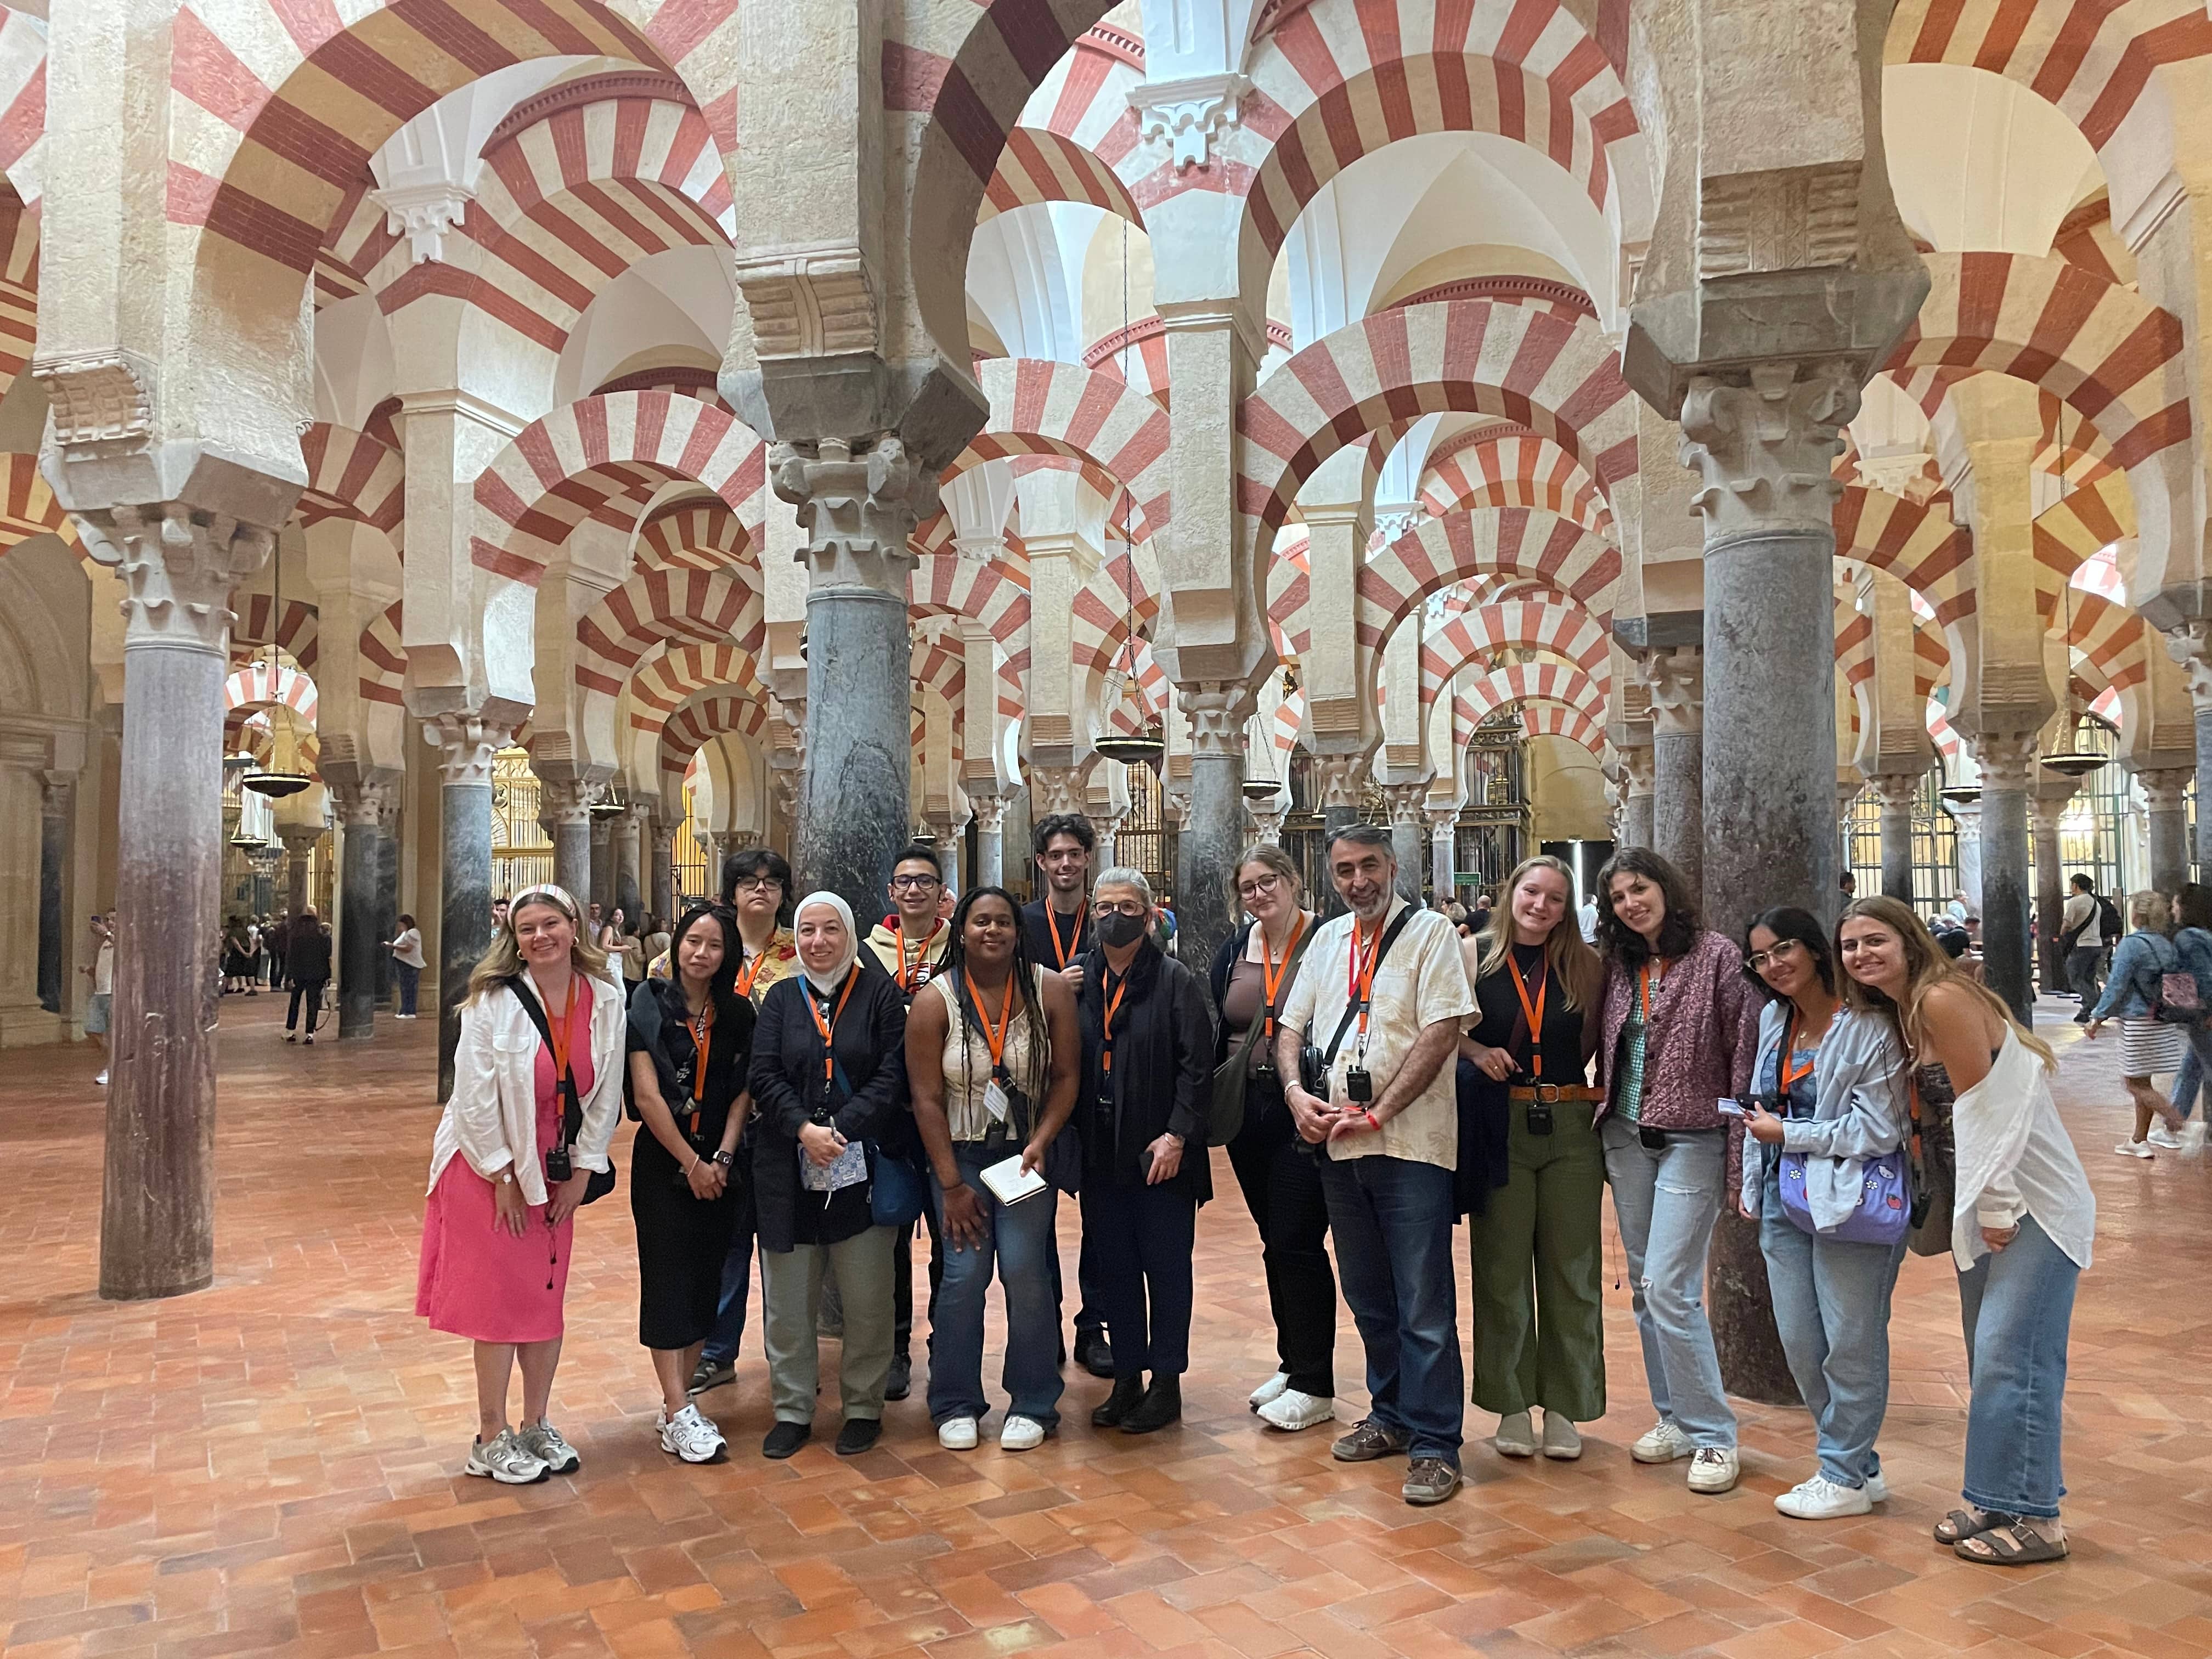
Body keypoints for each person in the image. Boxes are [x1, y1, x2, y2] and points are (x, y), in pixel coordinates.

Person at [1837, 896, 2092, 1565]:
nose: (1861, 954)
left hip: (2030, 1203)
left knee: (2017, 1356)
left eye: (1874, 939)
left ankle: (2039, 1521)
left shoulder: (1941, 999)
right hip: (1985, 1204)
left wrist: (1997, 1208)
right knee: (1992, 1356)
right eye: (1850, 945)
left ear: (1909, 939)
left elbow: (1990, 1113)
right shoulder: (1910, 1007)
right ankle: (2000, 1497)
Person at [1277, 825, 1476, 1506]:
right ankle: (1389, 1416)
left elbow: (1441, 1030)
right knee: (1368, 1295)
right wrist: (1294, 1094)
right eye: (1344, 871)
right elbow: (1289, 1029)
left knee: (1423, 1301)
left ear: (1392, 867)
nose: (1357, 881)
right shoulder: (1328, 941)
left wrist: (1380, 1111)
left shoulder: (1430, 936)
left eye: (1368, 866)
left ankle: (1435, 1445)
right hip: (1338, 1143)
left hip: (1411, 1146)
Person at [416, 883, 625, 1483]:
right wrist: (503, 1173)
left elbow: (604, 1090)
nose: (540, 937)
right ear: (514, 937)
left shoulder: (606, 996)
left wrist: (586, 1169)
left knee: (544, 1294)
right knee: (498, 1302)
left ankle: (536, 1422)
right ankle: (489, 1434)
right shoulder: (491, 1001)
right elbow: (474, 1097)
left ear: (574, 926)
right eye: (527, 928)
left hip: (556, 1167)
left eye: (551, 924)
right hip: (488, 1167)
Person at [1593, 847, 1758, 1495]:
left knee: (1670, 1285)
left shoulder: (1716, 955)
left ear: (1666, 887)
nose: (1631, 904)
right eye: (1618, 898)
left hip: (1694, 1139)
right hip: (1626, 1136)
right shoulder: (1619, 964)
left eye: (1639, 889)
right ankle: (1675, 1418)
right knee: (1643, 1284)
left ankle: (1715, 1434)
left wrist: (1740, 1147)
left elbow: (1741, 1051)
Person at [1737, 906, 1910, 1519]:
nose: (1773, 966)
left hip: (1852, 1202)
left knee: (1851, 1341)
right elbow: (1762, 1102)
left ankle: (1840, 1472)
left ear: (1814, 949)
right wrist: (1754, 1179)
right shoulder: (1771, 1017)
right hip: (1786, 1196)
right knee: (1801, 1341)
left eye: (1782, 949)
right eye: (1759, 958)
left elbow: (1880, 1127)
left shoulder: (1868, 1023)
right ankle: (1860, 1466)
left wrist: (1790, 1133)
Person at [906, 887, 1080, 1450]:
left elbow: (1066, 1078)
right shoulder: (936, 1000)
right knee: (962, 1279)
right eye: (981, 921)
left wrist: (1043, 1140)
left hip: (1025, 1157)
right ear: (961, 930)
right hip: (958, 1157)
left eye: (1003, 921)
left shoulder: (1048, 988)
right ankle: (955, 1400)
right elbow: (926, 1099)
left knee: (1027, 1275)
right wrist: (951, 1183)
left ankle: (1033, 1402)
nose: (992, 931)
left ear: (1016, 930)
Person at [747, 891, 909, 1459]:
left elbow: (893, 1075)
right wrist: (803, 1131)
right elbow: (763, 1074)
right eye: (808, 931)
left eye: (831, 930)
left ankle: (863, 1407)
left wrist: (839, 1128)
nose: (818, 942)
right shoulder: (779, 1000)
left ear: (848, 936)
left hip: (862, 1169)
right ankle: (792, 1408)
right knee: (789, 1305)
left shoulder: (880, 995)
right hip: (789, 1172)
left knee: (868, 1301)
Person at [1458, 856, 1606, 1464]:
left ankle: (1567, 1405)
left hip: (1570, 1123)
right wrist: (1475, 1049)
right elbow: (1443, 1030)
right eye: (1532, 891)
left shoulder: (1586, 966)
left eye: (1554, 898)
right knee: (1503, 1267)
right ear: (1511, 891)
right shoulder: (1474, 954)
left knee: (1573, 1271)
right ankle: (1513, 1404)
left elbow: (1594, 1040)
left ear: (1565, 909)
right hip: (1502, 1122)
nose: (1541, 905)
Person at [1075, 867, 1215, 1435]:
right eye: (1105, 906)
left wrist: (1178, 1135)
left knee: (1165, 1270)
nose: (1116, 916)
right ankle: (1128, 1376)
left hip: (1162, 1155)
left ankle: (1167, 1383)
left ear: (1151, 916)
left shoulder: (1176, 979)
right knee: (1115, 1270)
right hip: (1101, 1153)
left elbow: (1196, 1067)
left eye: (1129, 907)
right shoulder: (1080, 980)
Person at [1211, 845, 1336, 1432]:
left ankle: (1316, 1382)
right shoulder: (1239, 947)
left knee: (1297, 1238)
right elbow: (1221, 1018)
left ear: (1291, 881)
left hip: (1302, 1107)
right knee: (1273, 1239)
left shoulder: (1329, 942)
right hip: (1248, 1113)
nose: (1259, 896)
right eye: (1248, 888)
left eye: (1268, 883)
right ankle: (1292, 1364)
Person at [625, 904, 755, 1464]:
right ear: (676, 945)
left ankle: (678, 1403)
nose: (701, 954)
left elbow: (744, 1090)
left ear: (728, 955)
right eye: (693, 942)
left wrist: (722, 1156)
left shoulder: (739, 1012)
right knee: (667, 1277)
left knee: (708, 1279)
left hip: (722, 1164)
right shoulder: (648, 1003)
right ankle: (677, 1407)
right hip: (664, 1162)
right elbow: (648, 1094)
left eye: (714, 946)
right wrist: (690, 1163)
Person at [681, 847, 799, 1398]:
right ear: (730, 891)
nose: (761, 889)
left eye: (772, 881)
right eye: (749, 881)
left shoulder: (804, 950)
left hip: (782, 1119)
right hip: (715, 1119)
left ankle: (789, 1358)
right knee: (726, 1243)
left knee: (784, 1244)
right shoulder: (709, 950)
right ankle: (717, 1352)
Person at [1023, 812, 1112, 1378]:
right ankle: (1045, 1325)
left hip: (1101, 1087)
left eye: (1074, 853)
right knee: (1037, 1217)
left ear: (1087, 858)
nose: (1064, 864)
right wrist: (1052, 983)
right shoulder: (1023, 922)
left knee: (1102, 1216)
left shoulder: (1109, 919)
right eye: (1054, 855)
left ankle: (1094, 1325)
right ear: (1041, 863)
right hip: (1037, 1088)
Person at [864, 842, 953, 1403]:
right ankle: (895, 1348)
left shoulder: (961, 947)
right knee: (890, 1237)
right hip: (889, 1116)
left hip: (948, 1110)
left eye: (925, 881)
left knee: (951, 1235)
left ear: (941, 893)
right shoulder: (869, 953)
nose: (914, 889)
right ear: (892, 892)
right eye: (905, 881)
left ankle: (946, 1341)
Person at [2083, 890, 2195, 1158]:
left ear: (2138, 914)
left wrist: (2097, 1016)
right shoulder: (2166, 944)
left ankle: (2175, 1118)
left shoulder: (2131, 945)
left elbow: (2116, 985)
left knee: (2134, 1084)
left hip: (2137, 1021)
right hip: (2163, 1020)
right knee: (2143, 1080)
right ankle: (2138, 1140)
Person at [2162, 884, 2212, 1136]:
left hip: (2203, 1015)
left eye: (2175, 904)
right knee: (2192, 1067)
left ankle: (2174, 1124)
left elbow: (2204, 979)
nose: (2172, 910)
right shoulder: (2204, 935)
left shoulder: (2188, 938)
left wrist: (2208, 1011)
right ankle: (2175, 1122)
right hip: (2202, 1015)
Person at [2058, 874, 2106, 1020]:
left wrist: (2062, 935)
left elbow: (2067, 923)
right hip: (2096, 944)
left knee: (2075, 978)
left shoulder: (2075, 902)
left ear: (2076, 885)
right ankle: (2086, 1012)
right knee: (2089, 978)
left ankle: (2097, 1004)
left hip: (2082, 945)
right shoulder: (2095, 903)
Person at [283, 910, 332, 1045]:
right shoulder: (323, 939)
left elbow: (291, 959)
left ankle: (290, 1030)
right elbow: (326, 958)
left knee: (295, 1003)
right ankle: (309, 1033)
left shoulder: (296, 940)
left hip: (299, 974)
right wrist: (327, 976)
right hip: (316, 976)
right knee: (313, 1004)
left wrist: (289, 976)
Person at [81, 913, 113, 1086]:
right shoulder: (105, 943)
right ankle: (113, 1062)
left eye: (114, 919)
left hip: (114, 993)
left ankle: (112, 1066)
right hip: (100, 993)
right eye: (108, 920)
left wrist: (106, 934)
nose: (110, 923)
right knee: (93, 1029)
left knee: (113, 1033)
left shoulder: (120, 940)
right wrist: (90, 970)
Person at [386, 914, 425, 1018]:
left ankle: (410, 1011)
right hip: (403, 964)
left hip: (410, 965)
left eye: (401, 925)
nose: (399, 928)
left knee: (409, 989)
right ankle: (404, 1010)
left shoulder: (413, 933)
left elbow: (408, 948)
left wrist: (393, 946)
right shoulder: (405, 934)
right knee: (404, 988)